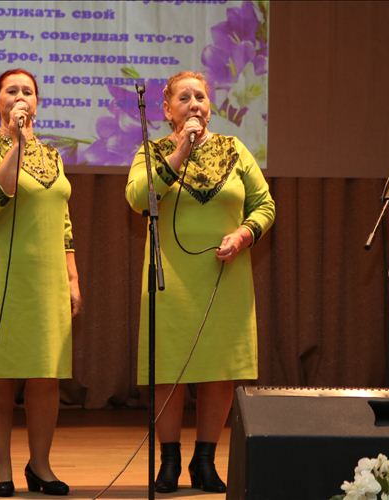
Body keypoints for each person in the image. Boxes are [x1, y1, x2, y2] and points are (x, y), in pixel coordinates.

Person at [125, 71, 275, 493]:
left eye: (201, 97)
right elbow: (138, 198)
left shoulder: (235, 149)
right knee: (168, 372)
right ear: (167, 109)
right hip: (170, 281)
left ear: (210, 106)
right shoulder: (152, 152)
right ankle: (169, 462)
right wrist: (179, 152)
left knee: (218, 372)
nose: (195, 104)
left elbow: (265, 204)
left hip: (225, 277)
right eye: (185, 98)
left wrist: (244, 234)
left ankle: (205, 462)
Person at [0, 68, 82, 497]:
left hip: (47, 277)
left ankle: (40, 466)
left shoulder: (54, 156)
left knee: (46, 375)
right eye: (12, 90)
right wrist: (17, 144)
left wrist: (72, 276)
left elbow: (63, 221)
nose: (21, 96)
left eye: (28, 91)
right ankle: (1, 466)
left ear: (37, 103)